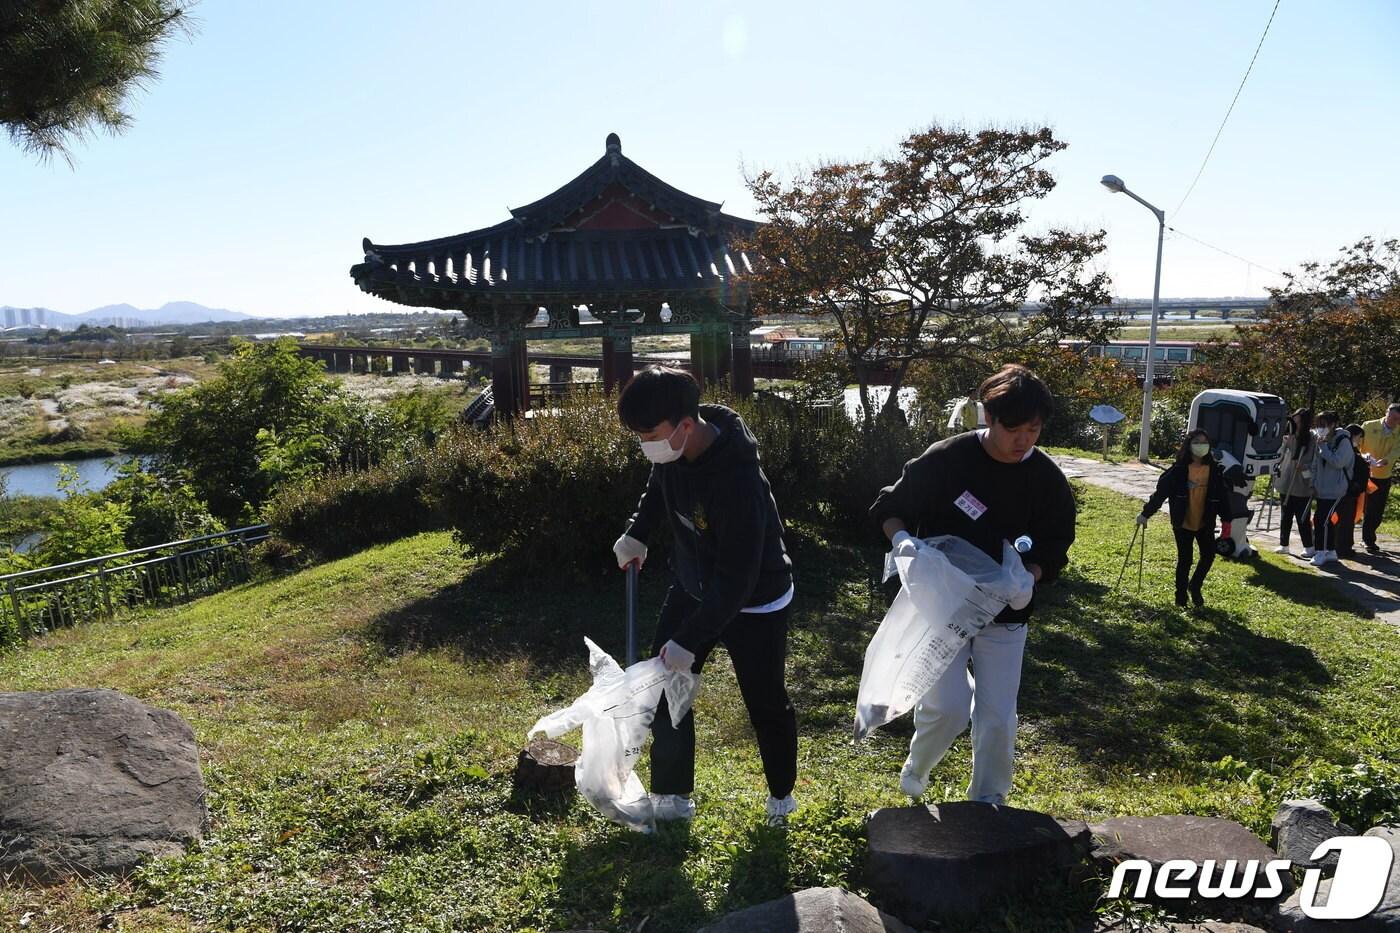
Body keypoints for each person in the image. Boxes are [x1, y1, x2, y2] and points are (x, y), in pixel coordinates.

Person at [869, 364, 1075, 805]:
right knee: (947, 707)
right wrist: (902, 541)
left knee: (998, 716)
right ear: (988, 417)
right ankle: (917, 767)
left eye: (1034, 429)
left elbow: (1057, 543)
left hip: (1007, 611)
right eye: (1014, 428)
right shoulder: (948, 458)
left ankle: (989, 801)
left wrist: (1030, 577)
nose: (1024, 440)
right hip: (944, 607)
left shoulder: (1044, 478)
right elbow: (888, 506)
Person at [611, 366, 798, 826]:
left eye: (649, 434)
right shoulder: (672, 450)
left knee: (764, 700)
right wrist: (638, 533)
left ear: (685, 426)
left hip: (755, 598)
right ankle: (673, 794)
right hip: (694, 583)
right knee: (664, 689)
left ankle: (781, 796)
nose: (644, 445)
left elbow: (737, 579)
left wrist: (689, 640)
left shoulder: (737, 480)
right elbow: (659, 485)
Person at [1137, 429, 1231, 608]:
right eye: (1197, 442)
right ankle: (1180, 597)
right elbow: (1160, 494)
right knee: (1185, 559)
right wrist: (1145, 514)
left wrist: (1227, 520)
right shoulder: (1178, 470)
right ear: (1189, 445)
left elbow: (1222, 498)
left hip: (1205, 522)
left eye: (1205, 442)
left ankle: (1195, 586)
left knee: (1208, 556)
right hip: (1183, 522)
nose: (1201, 446)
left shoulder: (1214, 470)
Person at [1308, 411, 1356, 567]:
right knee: (1324, 520)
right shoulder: (1320, 440)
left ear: (1334, 424)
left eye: (1324, 425)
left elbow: (1338, 462)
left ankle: (1320, 552)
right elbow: (1315, 464)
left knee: (1320, 520)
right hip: (1321, 489)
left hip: (1336, 489)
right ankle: (1330, 551)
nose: (1321, 428)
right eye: (1319, 425)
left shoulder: (1343, 441)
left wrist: (1323, 447)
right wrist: (1312, 483)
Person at [1358, 402, 1400, 555]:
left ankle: (1368, 538)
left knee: (1376, 511)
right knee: (1360, 507)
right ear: (1387, 413)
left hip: (1383, 475)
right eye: (1393, 417)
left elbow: (1396, 451)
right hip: (1364, 473)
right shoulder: (1369, 425)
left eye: (1398, 420)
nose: (1394, 422)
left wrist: (1386, 460)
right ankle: (1359, 539)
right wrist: (1362, 457)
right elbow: (1357, 444)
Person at [1274, 408, 1317, 557]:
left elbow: (1316, 462)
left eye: (1299, 420)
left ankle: (1309, 547)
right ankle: (1283, 544)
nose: (1296, 423)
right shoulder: (1288, 436)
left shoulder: (1313, 438)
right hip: (1286, 481)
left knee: (1302, 517)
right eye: (1295, 420)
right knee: (1285, 516)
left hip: (1302, 484)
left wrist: (1305, 469)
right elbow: (1279, 455)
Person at [1335, 424, 1370, 559]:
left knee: (1342, 519)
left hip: (1342, 488)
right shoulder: (1349, 450)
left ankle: (1337, 545)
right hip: (1348, 490)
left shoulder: (1340, 446)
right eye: (1360, 437)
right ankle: (1342, 548)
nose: (1360, 441)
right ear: (1354, 435)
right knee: (1346, 520)